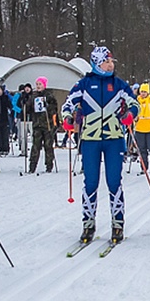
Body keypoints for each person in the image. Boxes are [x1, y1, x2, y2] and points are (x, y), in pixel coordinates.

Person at [61, 45, 139, 244]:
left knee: (114, 182)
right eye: (107, 61)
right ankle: (88, 223)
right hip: (90, 140)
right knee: (91, 183)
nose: (111, 65)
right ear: (97, 63)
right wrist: (68, 117)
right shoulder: (84, 84)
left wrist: (130, 114)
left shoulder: (120, 84)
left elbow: (135, 104)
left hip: (113, 139)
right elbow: (68, 104)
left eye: (112, 61)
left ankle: (117, 223)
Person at [26, 77, 57, 173]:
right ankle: (32, 166)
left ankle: (49, 165)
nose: (38, 86)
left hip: (47, 125)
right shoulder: (33, 96)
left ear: (44, 85)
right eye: (37, 84)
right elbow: (28, 109)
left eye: (40, 84)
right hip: (37, 125)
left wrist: (48, 105)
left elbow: (54, 109)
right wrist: (26, 103)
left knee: (48, 146)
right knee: (35, 146)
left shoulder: (49, 96)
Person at [0, 84, 14, 155]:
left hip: (4, 118)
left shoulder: (5, 97)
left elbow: (10, 106)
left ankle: (6, 148)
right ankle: (1, 148)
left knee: (5, 134)